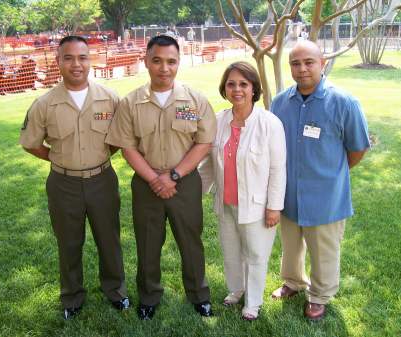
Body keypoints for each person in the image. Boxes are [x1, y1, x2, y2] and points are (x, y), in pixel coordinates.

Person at [105, 35, 216, 320]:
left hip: (186, 181)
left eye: (171, 61)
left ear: (179, 62)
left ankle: (199, 295)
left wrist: (174, 175)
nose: (164, 68)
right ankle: (149, 296)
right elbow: (126, 146)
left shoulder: (194, 100)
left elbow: (203, 143)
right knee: (148, 243)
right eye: (157, 61)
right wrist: (155, 179)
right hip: (146, 183)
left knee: (191, 242)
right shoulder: (131, 103)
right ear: (146, 61)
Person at [19, 35, 129, 320]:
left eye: (82, 57)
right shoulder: (44, 104)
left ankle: (115, 291)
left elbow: (119, 137)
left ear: (90, 61)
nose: (76, 64)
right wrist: (57, 159)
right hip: (63, 184)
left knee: (109, 240)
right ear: (58, 62)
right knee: (68, 243)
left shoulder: (110, 98)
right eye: (68, 58)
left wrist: (100, 157)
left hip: (102, 180)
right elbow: (31, 143)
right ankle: (72, 298)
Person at [270, 40, 370, 321]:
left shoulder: (344, 102)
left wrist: (331, 174)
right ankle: (293, 281)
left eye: (308, 62)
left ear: (322, 63)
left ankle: (320, 295)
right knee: (290, 244)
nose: (302, 69)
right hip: (288, 193)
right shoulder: (280, 102)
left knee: (324, 250)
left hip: (326, 196)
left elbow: (357, 148)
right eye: (295, 63)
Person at [199, 62, 286, 320]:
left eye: (243, 84)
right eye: (231, 84)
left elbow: (278, 169)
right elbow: (209, 165)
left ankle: (254, 302)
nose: (237, 89)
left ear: (253, 89)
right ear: (224, 88)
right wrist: (193, 194)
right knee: (231, 250)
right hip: (225, 202)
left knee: (256, 254)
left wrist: (274, 206)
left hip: (258, 205)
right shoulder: (218, 120)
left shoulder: (269, 123)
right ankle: (236, 289)